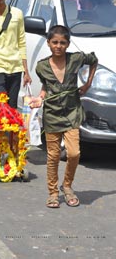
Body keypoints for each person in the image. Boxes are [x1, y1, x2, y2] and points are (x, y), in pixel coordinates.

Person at [29, 25, 98, 208]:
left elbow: (94, 60)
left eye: (62, 42)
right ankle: (53, 192)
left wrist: (88, 84)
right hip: (52, 114)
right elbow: (46, 87)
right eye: (55, 42)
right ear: (48, 43)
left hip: (72, 112)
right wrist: (39, 99)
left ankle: (67, 186)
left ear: (67, 44)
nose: (58, 46)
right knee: (52, 156)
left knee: (74, 153)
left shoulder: (76, 59)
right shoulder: (41, 66)